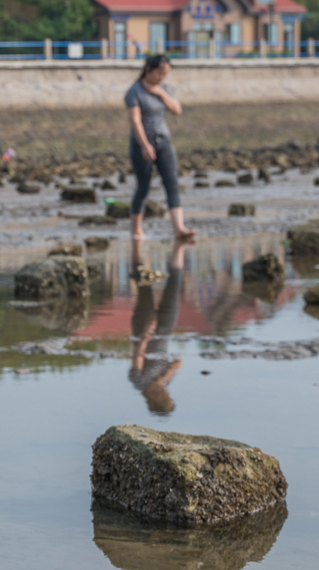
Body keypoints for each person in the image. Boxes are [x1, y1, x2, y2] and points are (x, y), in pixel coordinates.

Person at [125, 54, 195, 242]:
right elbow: (135, 121)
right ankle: (136, 229)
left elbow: (176, 110)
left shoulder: (163, 88)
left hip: (164, 142)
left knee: (172, 184)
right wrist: (145, 145)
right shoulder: (134, 92)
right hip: (142, 145)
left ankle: (179, 228)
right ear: (149, 69)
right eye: (160, 73)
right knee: (143, 187)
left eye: (165, 74)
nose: (162, 77)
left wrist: (160, 92)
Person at [128, 239, 185, 414]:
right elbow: (178, 363)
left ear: (154, 400)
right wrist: (161, 381)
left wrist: (146, 334)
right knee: (175, 283)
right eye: (169, 396)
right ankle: (179, 244)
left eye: (166, 398)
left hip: (144, 331)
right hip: (165, 330)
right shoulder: (165, 382)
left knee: (143, 284)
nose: (167, 393)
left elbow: (138, 354)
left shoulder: (138, 382)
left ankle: (136, 245)